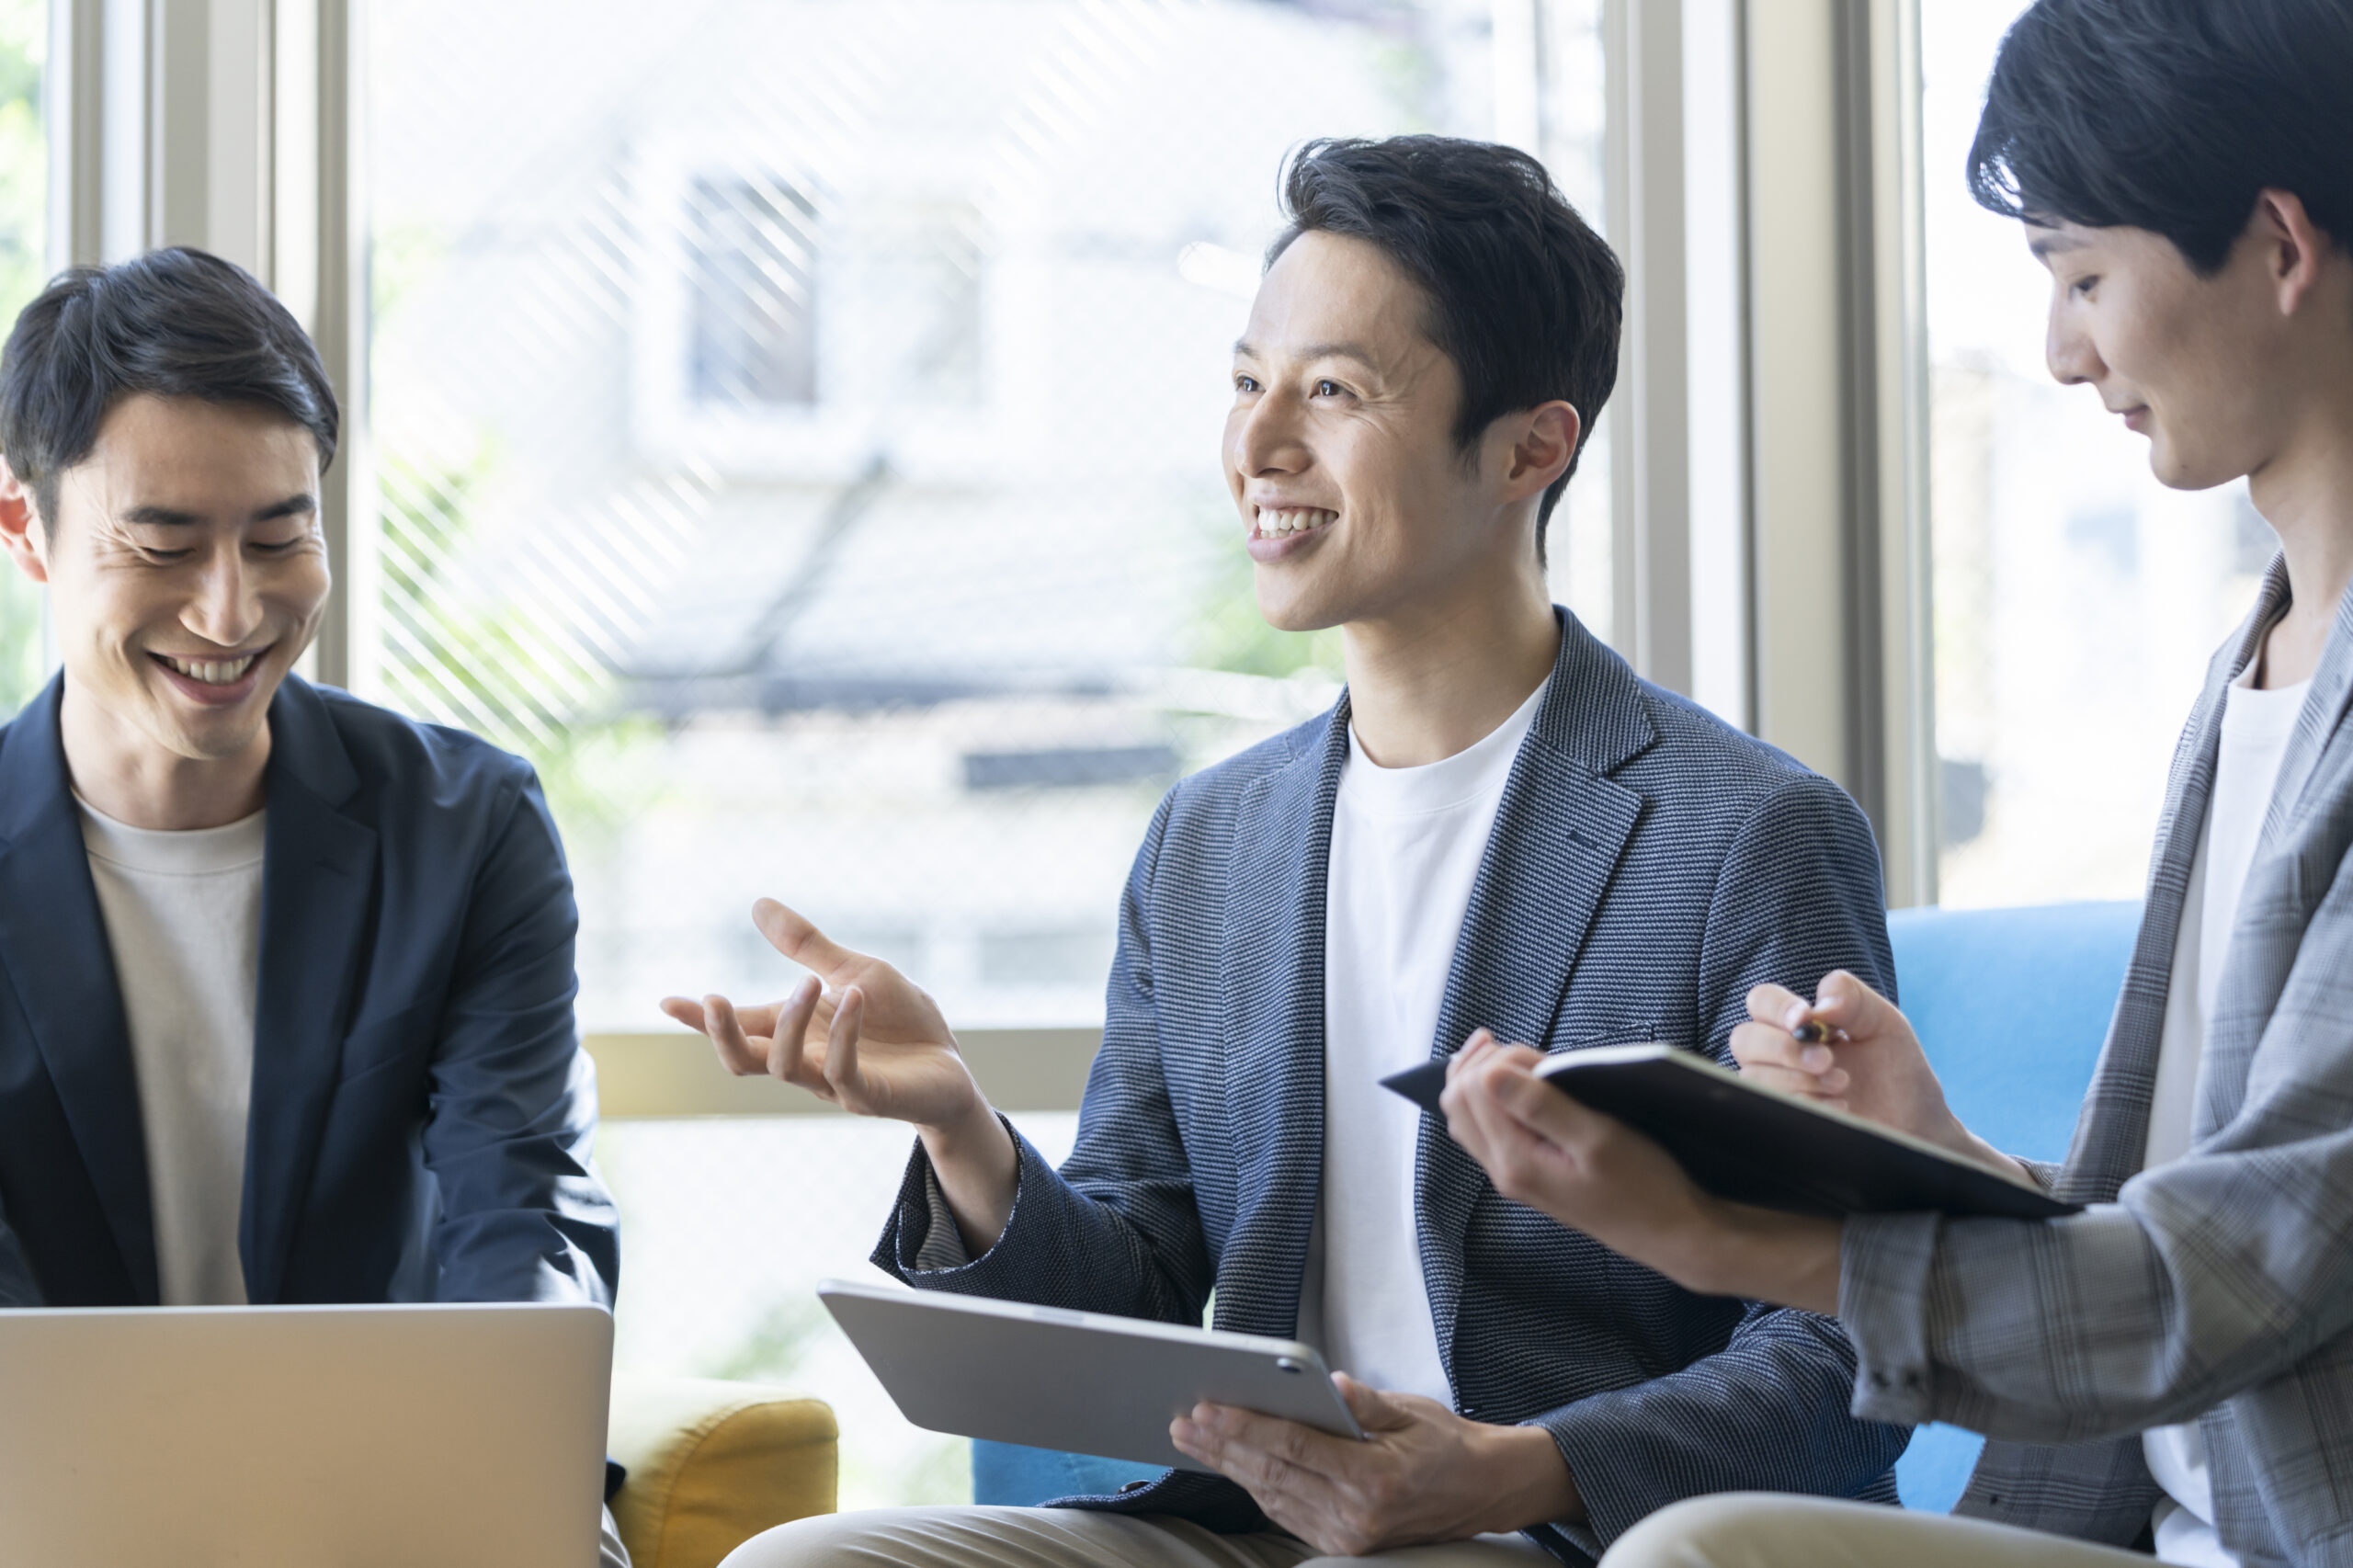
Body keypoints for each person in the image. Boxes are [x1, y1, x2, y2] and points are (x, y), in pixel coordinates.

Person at [667, 136, 1908, 1568]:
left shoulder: (1744, 830)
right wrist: (963, 1132)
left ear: (1530, 446)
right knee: (798, 1564)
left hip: (1555, 1533)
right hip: (1252, 1525)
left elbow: (1846, 1342)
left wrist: (1512, 1470)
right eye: (1248, 380)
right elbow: (1138, 1286)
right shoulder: (1211, 839)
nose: (1259, 447)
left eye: (1332, 391)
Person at [1438, 3, 2353, 1565]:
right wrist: (1942, 1162)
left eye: (2083, 278)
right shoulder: (2253, 670)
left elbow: (2253, 1270)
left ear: (2277, 244)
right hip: (2156, 1522)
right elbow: (2174, 1228)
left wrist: (1737, 1236)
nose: (2065, 354)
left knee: (1693, 1551)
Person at [0, 246, 630, 1566]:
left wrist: (497, 1463)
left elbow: (519, 1206)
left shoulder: (466, 833)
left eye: (281, 533)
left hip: (402, 1504)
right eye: (162, 541)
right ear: (27, 532)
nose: (232, 610)